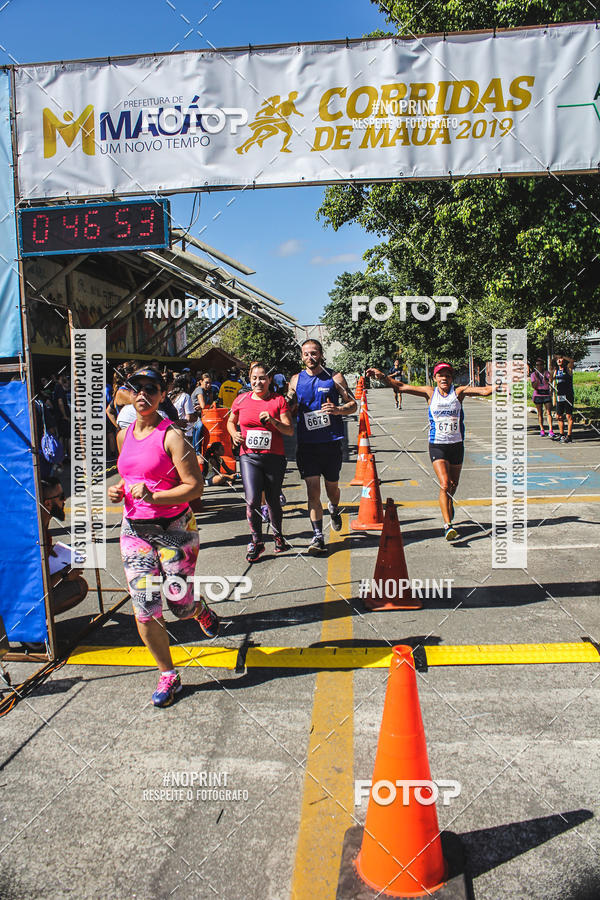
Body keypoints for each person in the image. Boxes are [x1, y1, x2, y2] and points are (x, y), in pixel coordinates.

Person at [108, 367, 219, 708]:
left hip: (174, 530)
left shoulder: (172, 436)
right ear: (129, 393)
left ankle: (198, 610)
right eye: (136, 388)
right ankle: (168, 674)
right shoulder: (124, 436)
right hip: (134, 531)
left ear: (162, 395)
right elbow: (131, 476)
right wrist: (119, 491)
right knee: (145, 607)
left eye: (151, 389)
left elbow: (195, 487)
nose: (142, 394)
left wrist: (154, 497)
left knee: (179, 605)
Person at [367, 362, 497, 541]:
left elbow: (484, 391)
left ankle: (448, 504)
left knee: (453, 486)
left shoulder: (458, 393)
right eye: (440, 375)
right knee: (445, 484)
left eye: (448, 376)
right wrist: (382, 376)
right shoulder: (430, 392)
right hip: (437, 445)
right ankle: (448, 526)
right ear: (435, 378)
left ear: (451, 379)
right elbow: (401, 386)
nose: (444, 378)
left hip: (456, 445)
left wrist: (507, 384)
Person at [288, 339, 357, 554]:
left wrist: (337, 409)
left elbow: (353, 405)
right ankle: (318, 536)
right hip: (307, 445)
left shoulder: (334, 378)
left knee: (332, 489)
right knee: (312, 492)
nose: (310, 357)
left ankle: (334, 508)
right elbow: (288, 406)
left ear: (321, 354)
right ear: (301, 356)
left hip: (330, 443)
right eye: (306, 354)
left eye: (314, 353)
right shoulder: (295, 380)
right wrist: (290, 406)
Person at [228, 362, 294, 562]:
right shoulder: (241, 400)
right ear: (250, 379)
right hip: (248, 457)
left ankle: (278, 536)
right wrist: (233, 434)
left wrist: (273, 421)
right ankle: (257, 542)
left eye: (263, 378)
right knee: (252, 500)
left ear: (270, 380)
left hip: (274, 457)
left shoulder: (278, 400)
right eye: (255, 378)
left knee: (273, 500)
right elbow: (230, 421)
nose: (259, 382)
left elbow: (289, 430)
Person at [41, 477, 89, 614]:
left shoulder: (43, 525)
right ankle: (29, 624)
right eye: (61, 497)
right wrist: (64, 575)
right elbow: (35, 586)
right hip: (22, 598)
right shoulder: (36, 534)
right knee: (79, 586)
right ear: (48, 503)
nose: (64, 500)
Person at [551, 354, 575, 442]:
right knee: (559, 416)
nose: (559, 360)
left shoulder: (568, 369)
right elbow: (551, 379)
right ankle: (561, 435)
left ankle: (569, 436)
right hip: (560, 395)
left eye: (560, 359)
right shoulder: (556, 370)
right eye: (558, 359)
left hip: (568, 395)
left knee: (569, 415)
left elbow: (572, 361)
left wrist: (563, 356)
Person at [530, 358, 555, 437]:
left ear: (543, 366)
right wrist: (537, 380)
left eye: (541, 365)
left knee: (548, 412)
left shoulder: (546, 373)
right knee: (540, 413)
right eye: (537, 365)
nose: (539, 367)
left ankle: (551, 430)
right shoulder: (533, 374)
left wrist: (547, 379)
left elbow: (550, 381)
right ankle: (542, 429)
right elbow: (534, 386)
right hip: (538, 394)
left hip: (546, 393)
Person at [168, 373, 196, 438]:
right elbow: (189, 417)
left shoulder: (169, 395)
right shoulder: (185, 396)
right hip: (185, 433)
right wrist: (196, 416)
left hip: (171, 431)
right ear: (186, 385)